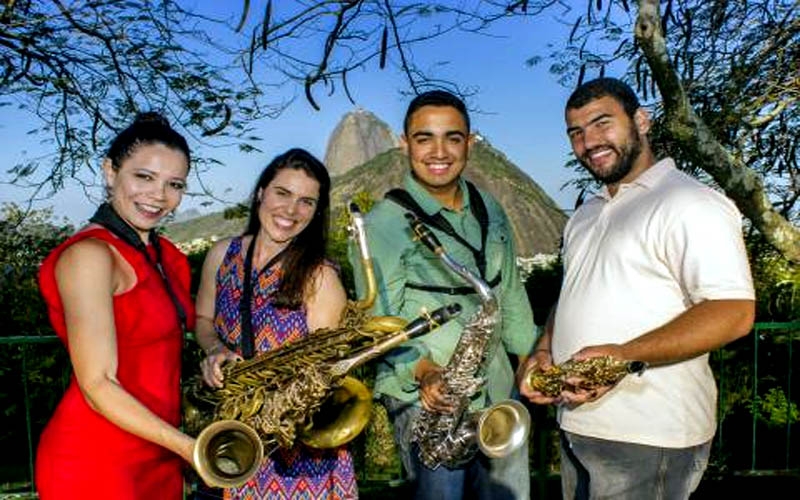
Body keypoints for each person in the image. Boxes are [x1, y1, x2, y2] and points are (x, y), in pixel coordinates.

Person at [519, 77, 756, 499]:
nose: (589, 141)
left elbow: (733, 311)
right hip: (576, 423)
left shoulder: (690, 201)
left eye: (602, 123)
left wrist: (623, 357)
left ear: (641, 120)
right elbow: (572, 291)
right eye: (576, 132)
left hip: (649, 436)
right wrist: (543, 350)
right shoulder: (586, 213)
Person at [349, 90, 535, 500]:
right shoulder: (383, 223)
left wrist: (530, 360)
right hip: (427, 399)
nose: (439, 151)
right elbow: (379, 324)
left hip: (497, 391)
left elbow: (510, 293)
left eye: (452, 138)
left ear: (469, 143)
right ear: (404, 143)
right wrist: (425, 372)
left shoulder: (490, 208)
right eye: (424, 138)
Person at [35, 112, 198, 499]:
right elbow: (97, 384)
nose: (159, 195)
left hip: (159, 457)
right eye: (144, 177)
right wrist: (190, 448)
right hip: (96, 463)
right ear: (110, 171)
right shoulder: (89, 256)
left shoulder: (167, 256)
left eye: (174, 184)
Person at [194, 148, 357, 499]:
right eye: (282, 193)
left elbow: (327, 374)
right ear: (260, 193)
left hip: (295, 452)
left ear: (316, 212)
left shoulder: (321, 277)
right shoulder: (222, 254)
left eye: (306, 202)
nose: (291, 210)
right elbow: (203, 319)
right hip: (227, 434)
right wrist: (214, 349)